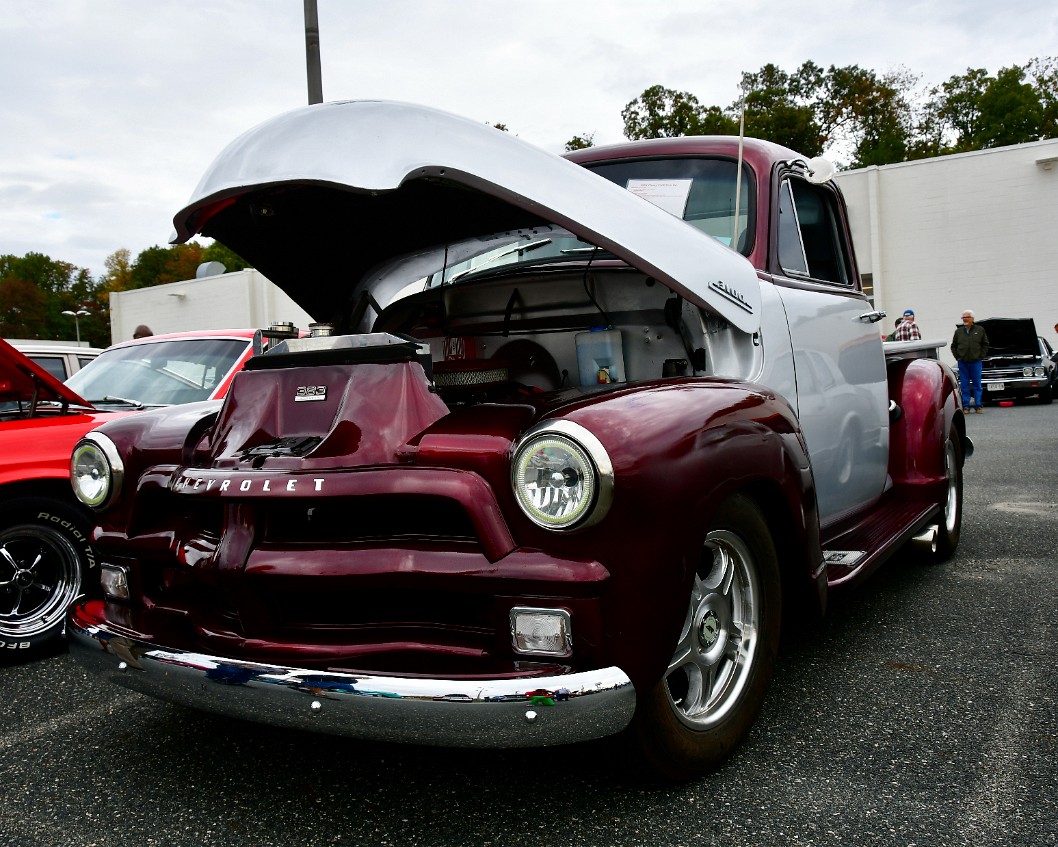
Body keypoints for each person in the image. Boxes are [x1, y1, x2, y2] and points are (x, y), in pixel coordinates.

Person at [951, 309, 989, 413]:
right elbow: (953, 346)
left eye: (966, 317)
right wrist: (957, 357)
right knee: (964, 385)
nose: (964, 319)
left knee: (977, 385)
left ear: (972, 318)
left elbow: (985, 344)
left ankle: (978, 406)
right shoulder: (958, 332)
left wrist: (981, 356)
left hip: (976, 362)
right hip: (963, 362)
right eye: (963, 318)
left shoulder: (980, 330)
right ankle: (966, 406)